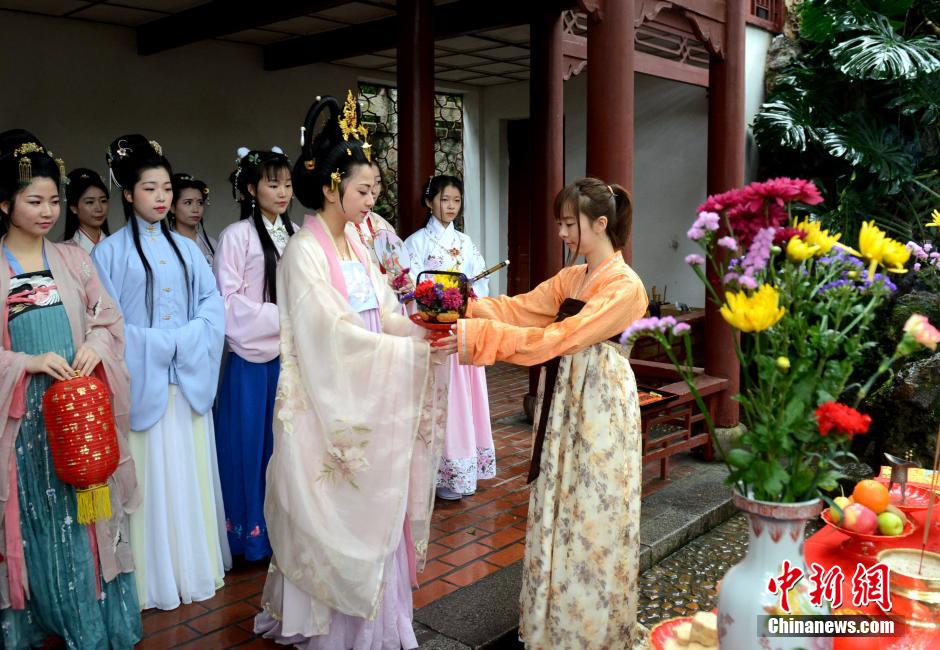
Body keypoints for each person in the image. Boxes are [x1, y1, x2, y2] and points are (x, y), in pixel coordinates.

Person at [254, 92, 450, 650]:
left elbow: (385, 311)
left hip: (368, 387)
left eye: (376, 190)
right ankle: (332, 630)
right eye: (364, 190)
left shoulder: (359, 244)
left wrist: (423, 335)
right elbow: (329, 337)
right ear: (331, 187)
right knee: (332, 512)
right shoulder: (304, 253)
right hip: (328, 400)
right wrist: (407, 354)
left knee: (376, 504)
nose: (373, 200)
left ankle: (381, 627)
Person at [442, 177, 649, 649]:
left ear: (600, 224)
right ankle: (552, 625)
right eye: (560, 223)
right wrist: (463, 308)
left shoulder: (625, 286)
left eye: (569, 223)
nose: (562, 233)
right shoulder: (571, 278)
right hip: (565, 400)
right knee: (560, 500)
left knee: (593, 512)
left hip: (600, 406)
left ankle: (591, 630)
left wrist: (476, 339)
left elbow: (564, 337)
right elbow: (521, 309)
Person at [0, 129, 141, 648]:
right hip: (26, 421)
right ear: (4, 202)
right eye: (33, 200)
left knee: (91, 519)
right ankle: (43, 618)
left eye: (53, 200)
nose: (46, 210)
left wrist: (96, 348)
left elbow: (109, 320)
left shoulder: (75, 260)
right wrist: (25, 361)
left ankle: (93, 623)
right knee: (36, 518)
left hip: (80, 415)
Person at [92, 134, 228, 611]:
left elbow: (213, 308)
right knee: (147, 479)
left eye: (166, 188)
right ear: (127, 194)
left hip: (185, 381)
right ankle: (149, 579)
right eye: (150, 189)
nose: (161, 198)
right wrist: (157, 343)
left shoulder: (190, 250)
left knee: (186, 476)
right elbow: (104, 323)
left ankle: (191, 567)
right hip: (142, 381)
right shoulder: (107, 254)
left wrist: (186, 340)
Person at [213, 147, 295, 562]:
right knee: (250, 447)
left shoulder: (295, 232)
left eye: (287, 183)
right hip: (251, 360)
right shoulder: (236, 237)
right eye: (272, 183)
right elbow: (226, 303)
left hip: (290, 358)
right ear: (250, 188)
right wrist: (284, 315)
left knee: (287, 447)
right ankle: (251, 536)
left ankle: (286, 530)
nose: (282, 192)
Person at [404, 175, 495, 500]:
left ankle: (460, 469)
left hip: (461, 330)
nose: (451, 207)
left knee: (462, 399)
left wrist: (468, 294)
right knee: (435, 399)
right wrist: (435, 300)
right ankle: (433, 473)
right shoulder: (415, 244)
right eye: (445, 200)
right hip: (433, 333)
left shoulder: (466, 243)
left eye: (456, 201)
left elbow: (480, 284)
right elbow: (410, 288)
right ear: (430, 202)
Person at [169, 173, 216, 265]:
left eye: (200, 203)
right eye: (188, 203)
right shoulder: (164, 243)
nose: (195, 209)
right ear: (172, 207)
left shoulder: (211, 243)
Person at [62, 167, 110, 253]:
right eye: (90, 202)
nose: (99, 208)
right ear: (74, 208)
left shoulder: (118, 245)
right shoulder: (64, 251)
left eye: (103, 201)